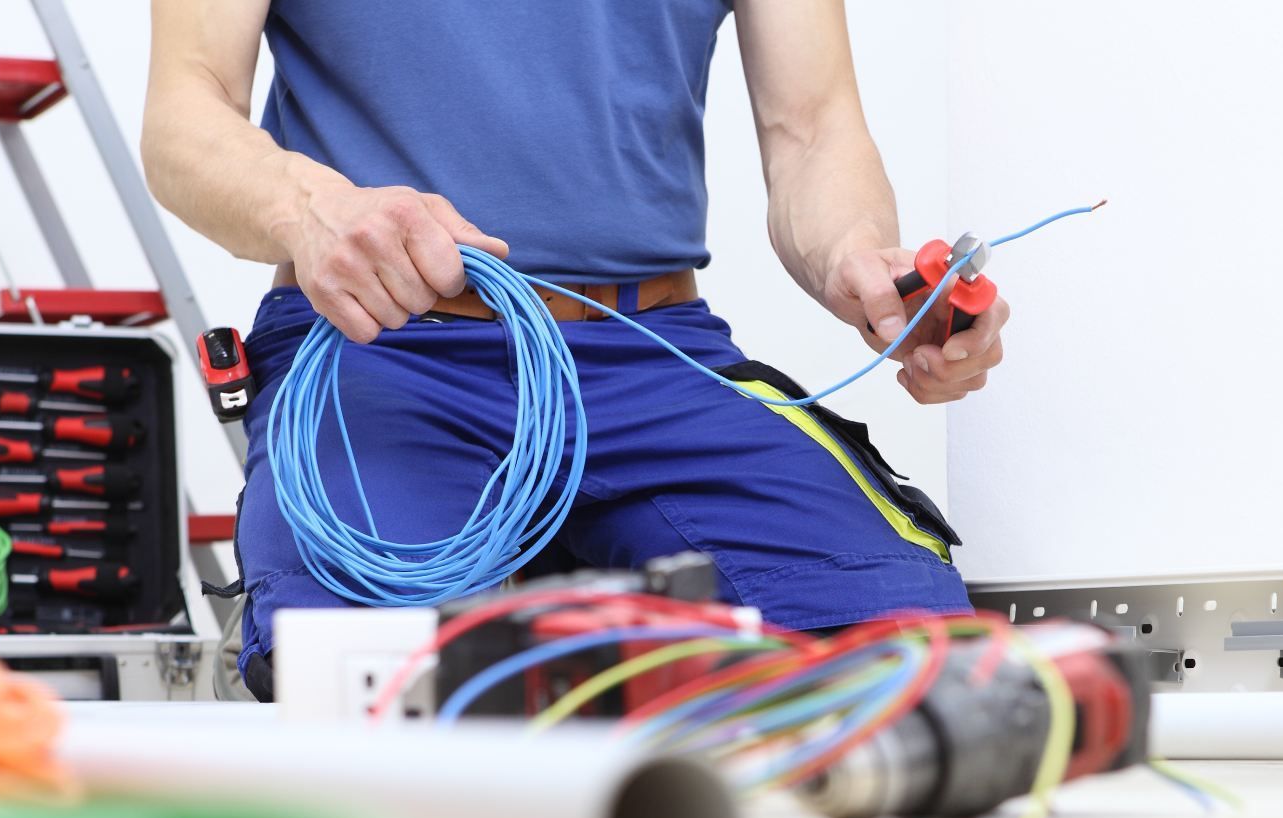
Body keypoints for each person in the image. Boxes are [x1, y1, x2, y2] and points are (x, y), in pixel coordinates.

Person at [143, 0, 1006, 698]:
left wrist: (857, 256)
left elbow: (814, 128)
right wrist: (308, 208)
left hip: (650, 358)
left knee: (921, 672)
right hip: (382, 351)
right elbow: (185, 111)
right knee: (371, 679)